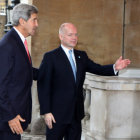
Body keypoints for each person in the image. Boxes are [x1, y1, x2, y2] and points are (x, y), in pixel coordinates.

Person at [37, 23, 131, 140]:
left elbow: (97, 68)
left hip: (76, 115)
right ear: (61, 36)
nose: (74, 38)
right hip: (56, 115)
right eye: (70, 35)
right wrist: (46, 112)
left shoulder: (81, 56)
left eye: (76, 34)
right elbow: (43, 85)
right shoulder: (50, 57)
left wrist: (115, 67)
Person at [0, 3, 38, 140]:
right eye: (34, 20)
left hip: (16, 117)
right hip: (8, 121)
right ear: (22, 21)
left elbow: (24, 71)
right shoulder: (8, 45)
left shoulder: (18, 42)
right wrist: (10, 116)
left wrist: (52, 72)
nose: (36, 24)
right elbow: (1, 85)